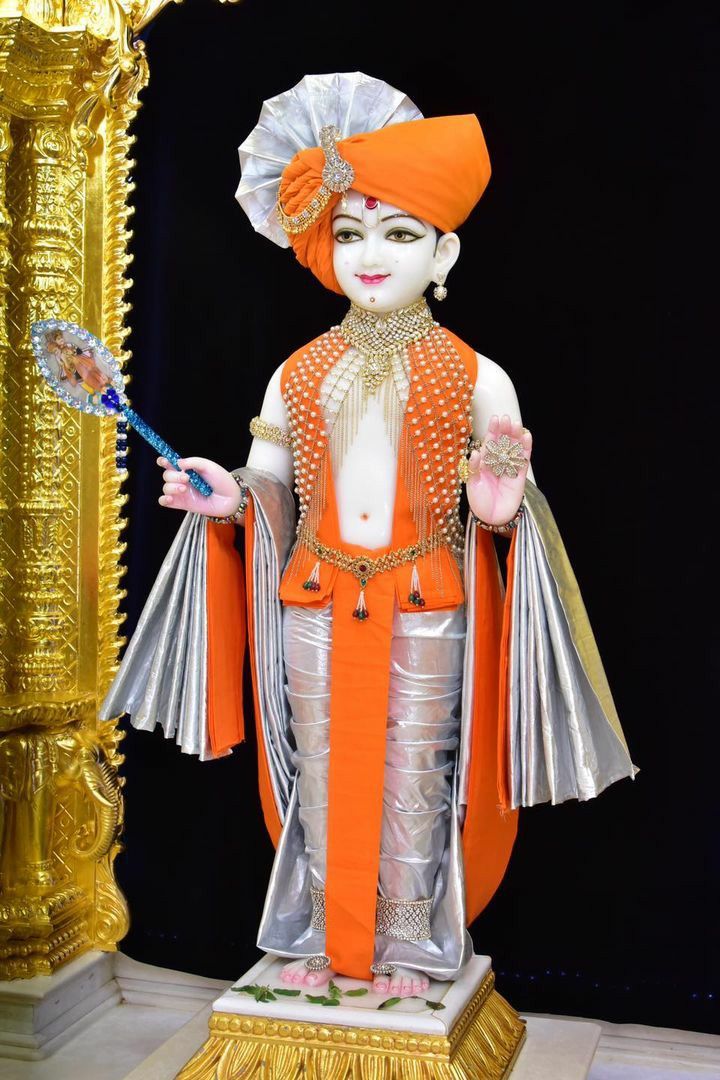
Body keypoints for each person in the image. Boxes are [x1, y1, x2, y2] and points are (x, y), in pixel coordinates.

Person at [101, 73, 635, 1000]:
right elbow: (269, 483)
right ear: (323, 250)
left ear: (444, 251)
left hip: (429, 597)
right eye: (349, 234)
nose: (371, 255)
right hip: (312, 594)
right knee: (320, 773)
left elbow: (504, 501)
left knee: (416, 779)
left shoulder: (477, 375)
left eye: (398, 235)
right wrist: (226, 494)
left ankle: (409, 946)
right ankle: (318, 932)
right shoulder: (299, 370)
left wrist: (502, 504)